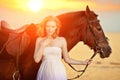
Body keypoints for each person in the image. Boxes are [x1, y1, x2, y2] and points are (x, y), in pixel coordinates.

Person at [34, 16, 92, 80]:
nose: (50, 29)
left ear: (56, 27)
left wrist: (83, 62)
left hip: (58, 71)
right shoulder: (39, 40)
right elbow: (36, 60)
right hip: (45, 71)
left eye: (53, 26)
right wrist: (43, 45)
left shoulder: (62, 40)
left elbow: (67, 59)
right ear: (44, 26)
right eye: (48, 26)